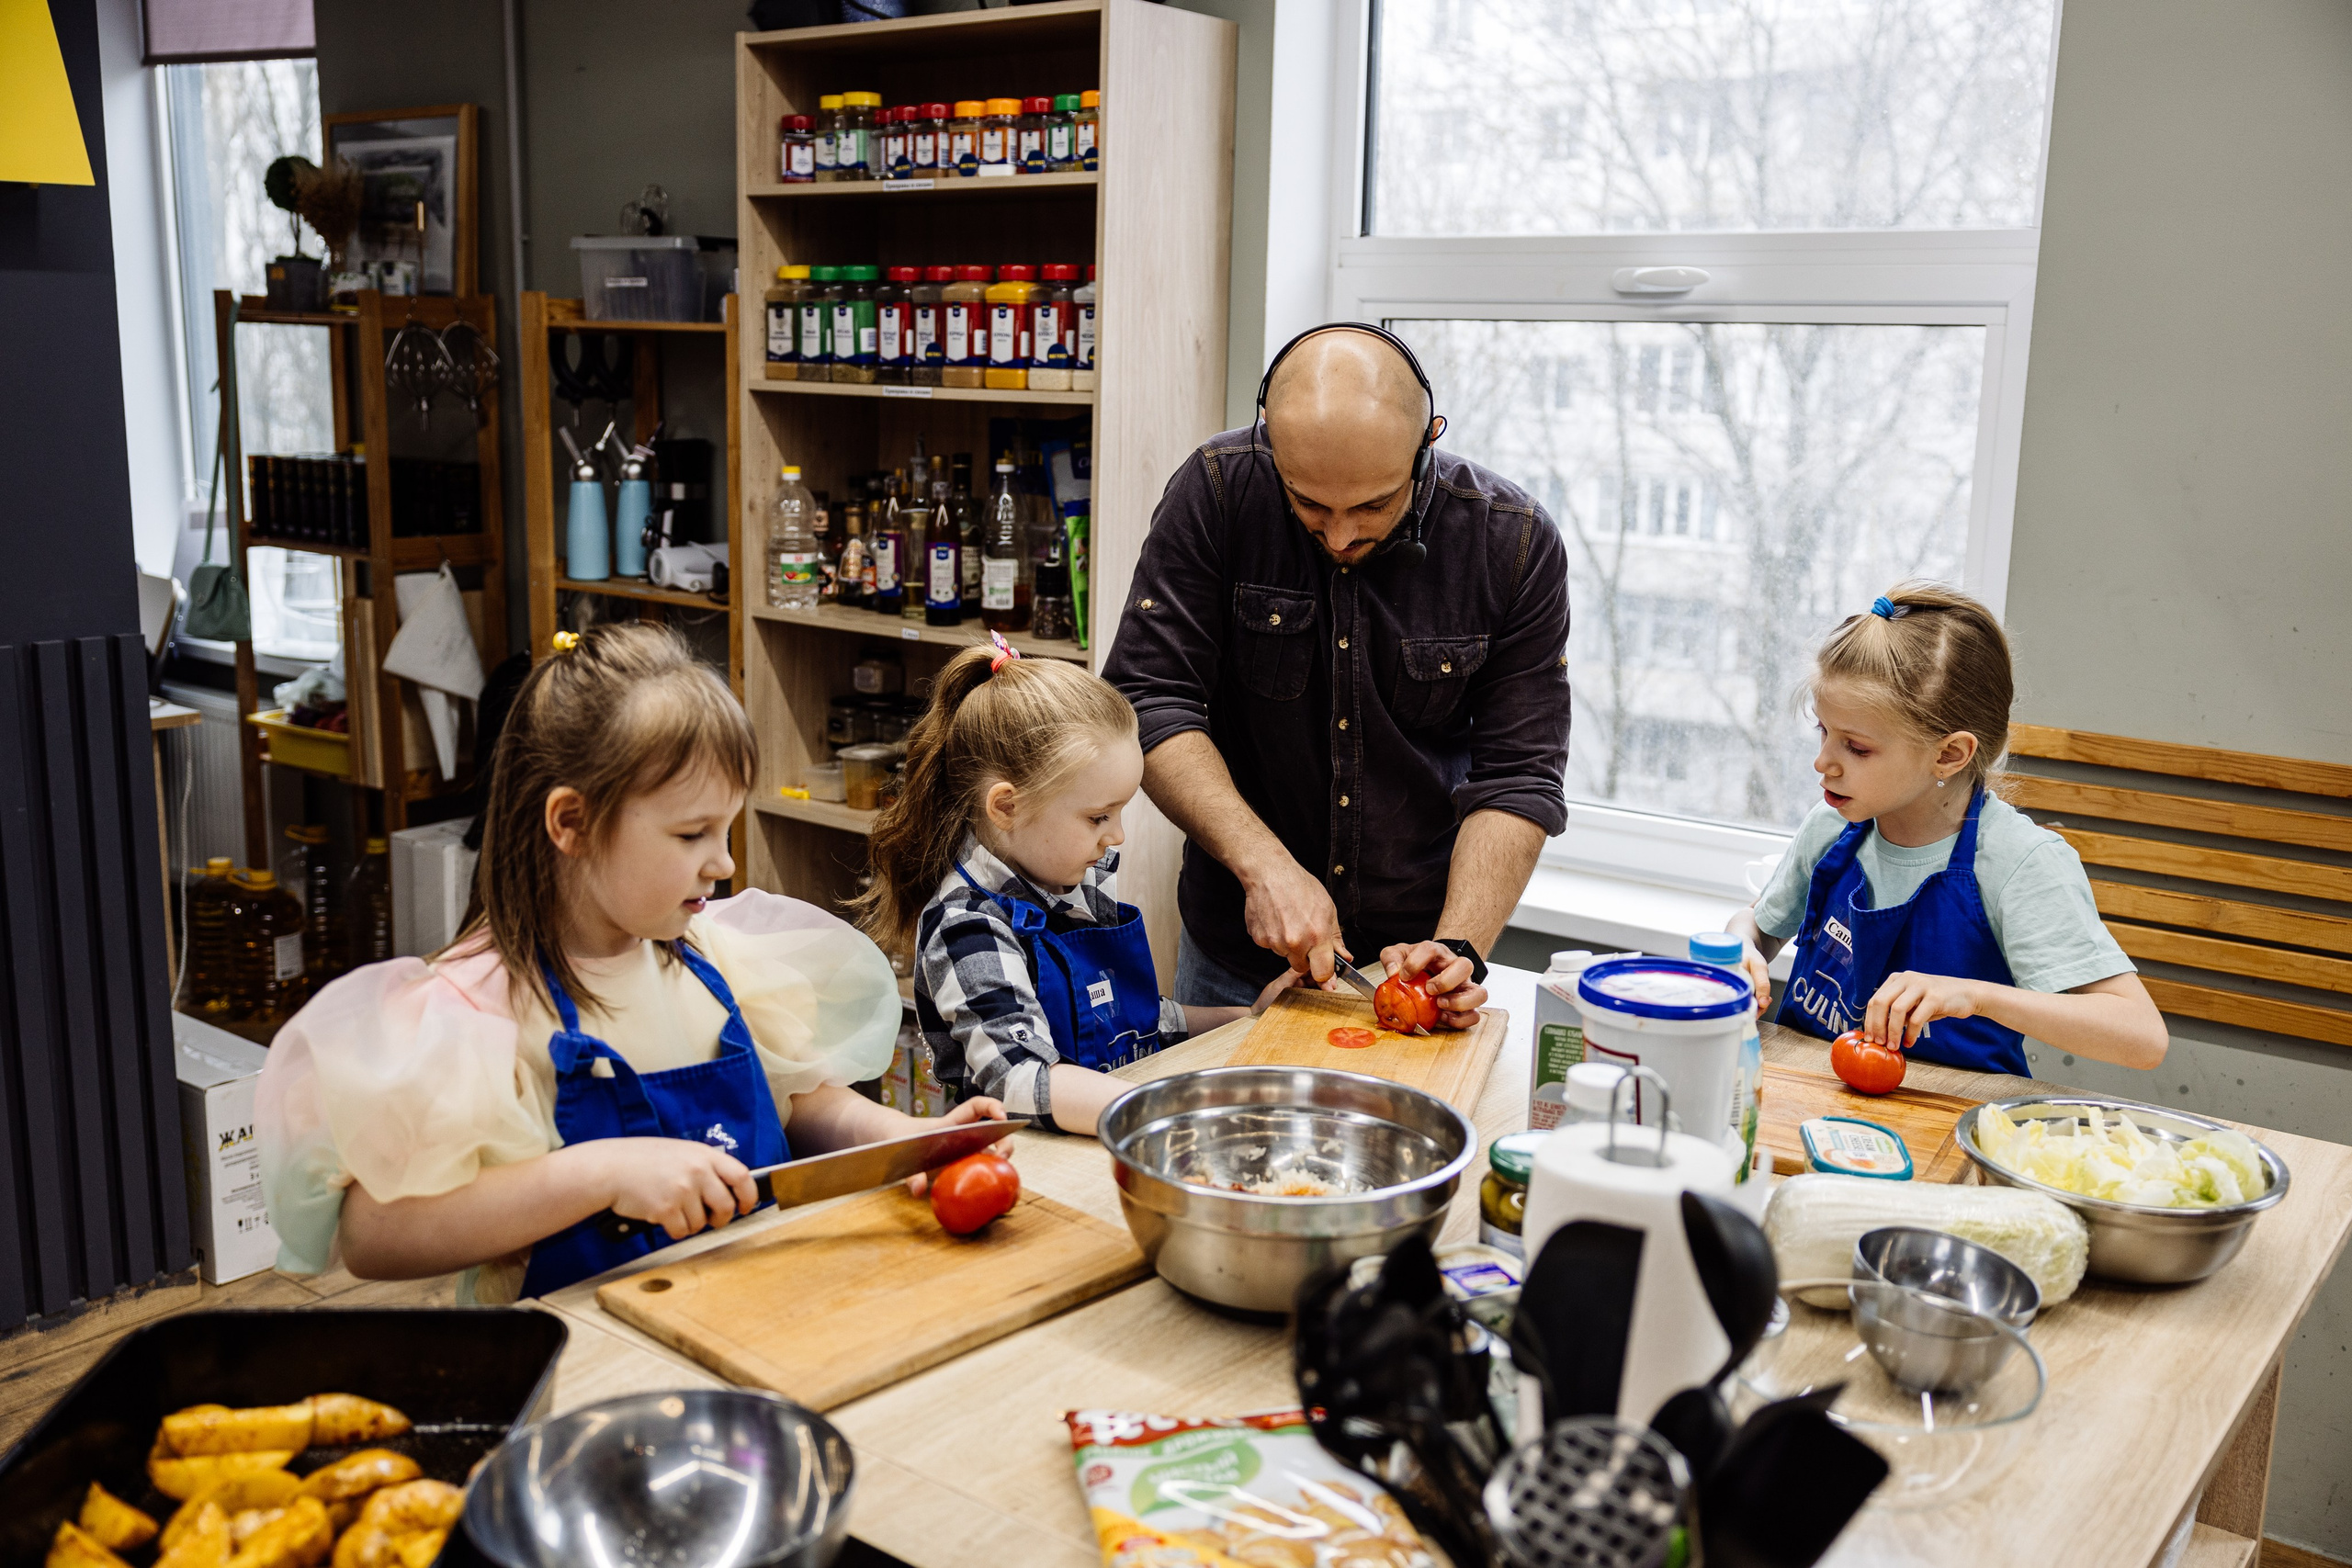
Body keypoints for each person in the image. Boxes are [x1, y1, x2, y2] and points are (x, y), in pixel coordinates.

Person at [256, 624, 1005, 1303]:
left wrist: (901, 1140)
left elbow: (798, 1104)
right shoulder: (477, 1008)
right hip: (586, 1372)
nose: (724, 861)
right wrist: (601, 1173)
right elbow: (373, 1236)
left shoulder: (718, 959)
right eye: (691, 834)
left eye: (727, 828)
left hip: (757, 1321)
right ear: (571, 822)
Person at [1103, 323, 1571, 1026]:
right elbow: (1150, 699)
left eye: (1374, 506)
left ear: (1426, 445)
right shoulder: (1217, 492)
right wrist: (1264, 865)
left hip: (1415, 953)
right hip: (1233, 956)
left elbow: (1521, 775)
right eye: (1311, 506)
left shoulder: (1514, 543)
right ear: (1271, 443)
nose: (1342, 536)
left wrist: (1457, 945)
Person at [856, 635, 1302, 1136]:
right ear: (1006, 807)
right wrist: (1162, 1108)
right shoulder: (968, 928)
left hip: (1109, 1138)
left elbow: (1132, 1021)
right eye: (1097, 817)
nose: (1117, 836)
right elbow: (1020, 1081)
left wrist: (1245, 1015)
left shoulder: (1071, 885)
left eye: (1119, 811)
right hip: (1030, 1167)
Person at [1727, 583, 2168, 1075]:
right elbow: (1755, 927)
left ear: (1949, 754)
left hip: (1945, 1126)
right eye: (1823, 732)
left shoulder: (2018, 862)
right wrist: (1740, 950)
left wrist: (1974, 996)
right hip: (1806, 1101)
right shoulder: (1831, 828)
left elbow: (2142, 1037)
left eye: (1857, 747)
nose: (1822, 762)